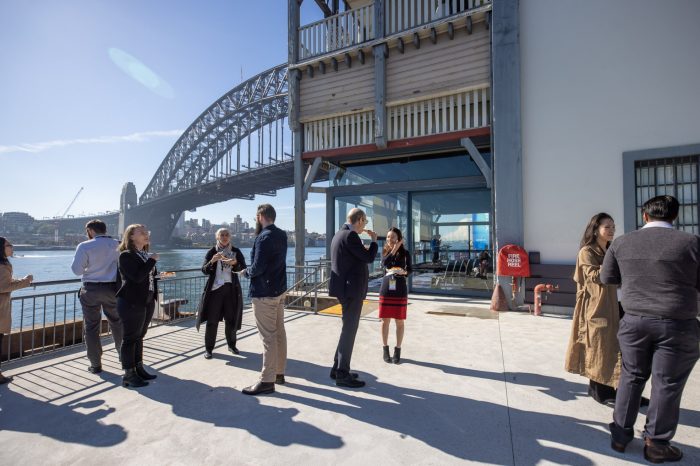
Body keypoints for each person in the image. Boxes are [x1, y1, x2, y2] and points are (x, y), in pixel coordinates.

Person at [602, 195, 700, 463]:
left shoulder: (621, 242)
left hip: (634, 321)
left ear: (644, 216)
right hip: (677, 322)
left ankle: (620, 436)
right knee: (666, 383)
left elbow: (607, 277)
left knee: (631, 376)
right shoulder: (691, 243)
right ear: (674, 217)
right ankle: (656, 443)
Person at [564, 213, 621, 405]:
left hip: (614, 304)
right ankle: (599, 391)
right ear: (596, 229)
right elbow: (593, 276)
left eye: (613, 226)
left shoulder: (609, 250)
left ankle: (614, 387)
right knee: (597, 345)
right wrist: (613, 264)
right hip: (595, 306)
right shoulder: (587, 252)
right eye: (607, 227)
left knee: (612, 346)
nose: (612, 230)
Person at [241, 204, 288, 396]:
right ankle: (278, 373)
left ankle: (267, 381)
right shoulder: (282, 235)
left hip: (264, 293)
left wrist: (246, 272)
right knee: (279, 333)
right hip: (279, 291)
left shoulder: (263, 237)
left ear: (260, 216)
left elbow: (258, 267)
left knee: (268, 337)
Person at [329, 208, 378, 388]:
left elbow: (351, 259)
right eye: (364, 222)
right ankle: (342, 374)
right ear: (358, 220)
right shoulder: (350, 236)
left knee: (346, 329)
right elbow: (369, 258)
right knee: (349, 330)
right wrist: (374, 241)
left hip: (344, 290)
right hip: (351, 291)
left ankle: (337, 368)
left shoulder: (338, 235)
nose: (364, 226)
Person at [70, 219, 122, 374]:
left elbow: (77, 271)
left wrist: (90, 268)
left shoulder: (85, 246)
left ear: (91, 230)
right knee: (118, 323)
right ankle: (124, 358)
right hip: (113, 289)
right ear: (104, 230)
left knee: (91, 327)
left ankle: (95, 364)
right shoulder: (118, 244)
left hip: (90, 290)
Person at [116, 224, 159, 388]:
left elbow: (147, 277)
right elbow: (136, 277)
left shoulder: (144, 255)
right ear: (131, 236)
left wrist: (155, 271)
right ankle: (128, 374)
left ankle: (139, 368)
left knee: (139, 336)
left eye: (146, 231)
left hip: (146, 301)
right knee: (129, 339)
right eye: (141, 232)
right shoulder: (126, 256)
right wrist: (152, 261)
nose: (146, 234)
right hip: (131, 302)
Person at [196, 228, 246, 359]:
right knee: (212, 321)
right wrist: (212, 261)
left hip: (231, 290)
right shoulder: (212, 251)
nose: (224, 237)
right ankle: (209, 349)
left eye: (227, 235)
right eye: (221, 235)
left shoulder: (236, 251)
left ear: (230, 237)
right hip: (215, 291)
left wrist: (235, 263)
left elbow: (243, 269)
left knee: (231, 319)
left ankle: (232, 345)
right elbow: (204, 270)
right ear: (217, 237)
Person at [0, 237, 32, 384]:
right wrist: (25, 282)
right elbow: (3, 286)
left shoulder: (4, 264)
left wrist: (20, 280)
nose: (12, 247)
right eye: (9, 245)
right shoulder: (2, 265)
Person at [379, 227, 411, 364]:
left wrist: (404, 272)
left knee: (399, 320)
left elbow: (410, 269)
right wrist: (394, 248)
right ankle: (385, 348)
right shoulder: (386, 251)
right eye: (388, 237)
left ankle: (397, 349)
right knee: (385, 320)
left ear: (398, 238)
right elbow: (385, 263)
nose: (389, 239)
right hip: (387, 287)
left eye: (392, 237)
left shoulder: (405, 253)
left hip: (400, 288)